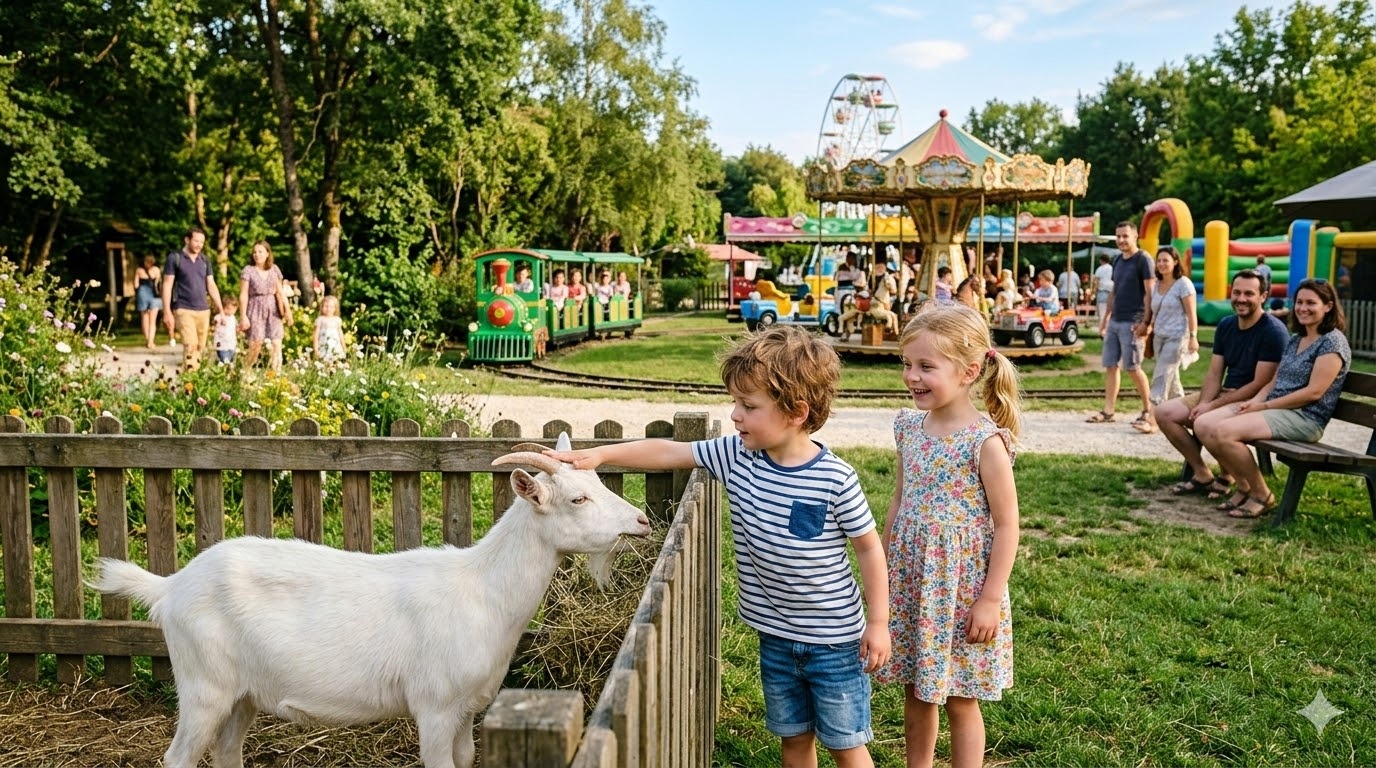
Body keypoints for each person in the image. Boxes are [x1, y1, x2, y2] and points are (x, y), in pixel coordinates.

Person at [546, 326, 891, 767]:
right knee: (794, 738)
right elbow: (669, 452)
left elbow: (868, 549)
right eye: (735, 403)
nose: (735, 415)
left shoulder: (835, 479)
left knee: (845, 744)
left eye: (748, 406)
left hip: (834, 640)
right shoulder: (735, 454)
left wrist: (878, 623)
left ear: (796, 412)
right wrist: (601, 456)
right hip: (778, 636)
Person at [876, 304, 1021, 768]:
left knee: (960, 695)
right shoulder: (907, 428)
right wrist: (882, 564)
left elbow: (1007, 525)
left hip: (962, 588)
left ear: (969, 372)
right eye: (907, 364)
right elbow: (899, 499)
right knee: (917, 686)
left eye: (926, 367)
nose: (912, 376)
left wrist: (990, 598)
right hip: (914, 580)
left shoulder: (984, 441)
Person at [1195, 279, 1350, 519]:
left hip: (1306, 417)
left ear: (1328, 306)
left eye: (1311, 303)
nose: (1303, 308)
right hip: (1275, 408)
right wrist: (1254, 402)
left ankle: (1262, 495)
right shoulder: (1296, 339)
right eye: (1299, 302)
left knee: (1225, 432)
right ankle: (1244, 487)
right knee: (1205, 424)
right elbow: (1273, 382)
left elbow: (1314, 393)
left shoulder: (1332, 341)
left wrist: (1264, 406)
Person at [1159, 270, 1288, 496]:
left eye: (1249, 293)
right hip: (1224, 394)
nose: (1241, 298)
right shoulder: (1227, 325)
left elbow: (1260, 384)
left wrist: (1210, 407)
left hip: (1252, 400)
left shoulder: (1273, 331)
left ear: (1263, 296)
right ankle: (1202, 473)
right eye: (1236, 292)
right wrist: (1206, 401)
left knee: (1205, 422)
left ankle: (1239, 481)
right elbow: (1214, 373)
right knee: (1163, 413)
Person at [1087, 221, 1155, 428]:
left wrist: (1147, 321)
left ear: (1135, 236)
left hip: (1134, 321)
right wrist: (1105, 318)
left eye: (1125, 236)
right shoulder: (1117, 260)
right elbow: (1114, 292)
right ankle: (1108, 411)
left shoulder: (1143, 259)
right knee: (1110, 366)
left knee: (1133, 367)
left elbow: (1150, 293)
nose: (1121, 240)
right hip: (1115, 320)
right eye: (1118, 236)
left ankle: (1148, 410)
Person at [1137, 246, 1198, 434]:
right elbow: (1155, 310)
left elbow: (1191, 313)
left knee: (1161, 376)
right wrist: (1147, 327)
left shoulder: (1183, 284)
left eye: (1166, 260)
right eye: (1159, 260)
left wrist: (1193, 337)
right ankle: (1187, 416)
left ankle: (1154, 419)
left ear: (1175, 262)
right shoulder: (1156, 284)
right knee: (1172, 381)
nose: (1162, 264)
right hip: (1159, 337)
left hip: (1177, 337)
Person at [161, 226, 223, 373]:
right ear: (187, 239)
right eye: (196, 241)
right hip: (183, 308)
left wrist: (220, 309)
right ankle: (191, 382)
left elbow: (211, 284)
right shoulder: (174, 258)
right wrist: (167, 311)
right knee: (190, 345)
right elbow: (167, 285)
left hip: (203, 310)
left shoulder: (205, 260)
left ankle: (192, 381)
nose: (199, 245)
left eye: (202, 242)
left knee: (200, 348)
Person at [238, 240, 292, 372]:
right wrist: (243, 316)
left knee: (276, 344)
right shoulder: (248, 270)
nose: (257, 254)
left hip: (273, 309)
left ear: (267, 253)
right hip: (255, 308)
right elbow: (243, 294)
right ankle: (245, 372)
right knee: (255, 345)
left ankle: (276, 378)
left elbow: (280, 292)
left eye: (260, 251)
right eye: (255, 252)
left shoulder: (274, 269)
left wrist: (288, 311)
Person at [133, 254, 163, 348]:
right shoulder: (157, 270)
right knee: (153, 320)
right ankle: (151, 341)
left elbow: (136, 285)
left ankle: (148, 341)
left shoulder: (139, 270)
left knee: (145, 319)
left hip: (142, 294)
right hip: (154, 295)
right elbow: (158, 284)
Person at [313, 295, 345, 363]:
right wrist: (316, 350)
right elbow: (315, 336)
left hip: (335, 347)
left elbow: (340, 334)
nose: (328, 309)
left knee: (336, 362)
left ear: (335, 308)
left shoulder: (337, 320)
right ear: (322, 307)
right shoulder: (320, 320)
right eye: (326, 306)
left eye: (331, 307)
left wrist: (344, 347)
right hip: (323, 347)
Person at [212, 297, 239, 365]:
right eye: (229, 309)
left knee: (230, 362)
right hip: (221, 344)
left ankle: (227, 374)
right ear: (224, 308)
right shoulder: (220, 317)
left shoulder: (233, 318)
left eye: (234, 309)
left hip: (231, 344)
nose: (231, 311)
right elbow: (214, 322)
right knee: (224, 360)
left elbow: (236, 328)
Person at [1091, 253, 1114, 322]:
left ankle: (1103, 328)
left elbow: (1096, 281)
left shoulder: (1100, 269)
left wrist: (1094, 292)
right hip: (1112, 291)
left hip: (1102, 292)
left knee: (1102, 312)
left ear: (1101, 260)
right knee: (1111, 312)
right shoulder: (1112, 268)